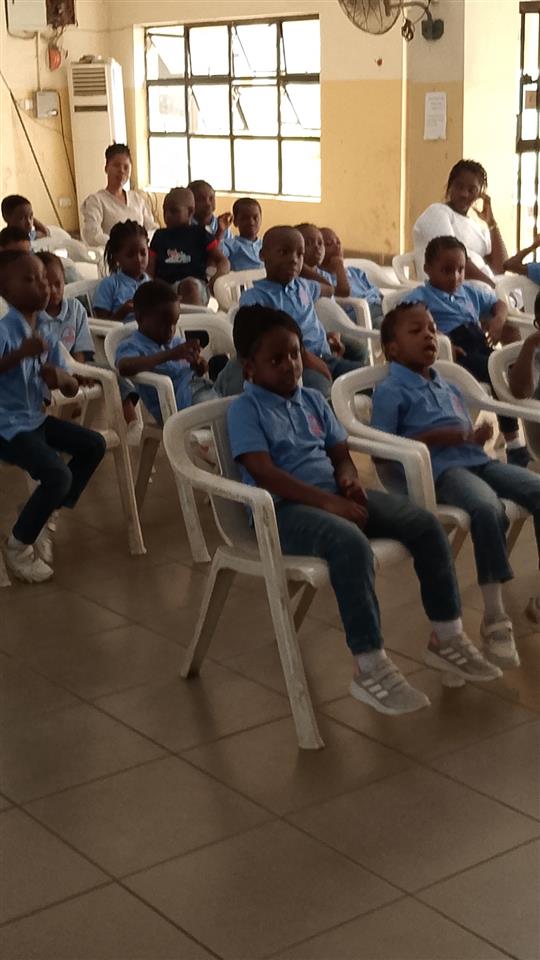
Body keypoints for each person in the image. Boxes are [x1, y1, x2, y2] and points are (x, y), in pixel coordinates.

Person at [227, 305, 500, 715]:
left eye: (295, 354)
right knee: (350, 544)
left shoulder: (312, 400)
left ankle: (446, 637)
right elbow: (264, 472)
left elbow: (339, 453)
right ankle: (369, 666)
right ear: (249, 368)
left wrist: (348, 479)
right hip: (282, 511)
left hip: (333, 496)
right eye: (276, 360)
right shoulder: (246, 410)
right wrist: (328, 502)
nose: (291, 366)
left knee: (425, 525)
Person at [371, 301, 540, 663]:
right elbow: (381, 452)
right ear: (392, 349)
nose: (429, 335)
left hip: (477, 461)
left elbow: (463, 433)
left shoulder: (444, 383)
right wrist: (441, 438)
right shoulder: (390, 390)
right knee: (486, 507)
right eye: (416, 331)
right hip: (442, 472)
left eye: (432, 329)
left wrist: (473, 437)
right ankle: (495, 616)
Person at [0, 250, 106, 582]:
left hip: (35, 419)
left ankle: (44, 509)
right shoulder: (4, 330)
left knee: (94, 444)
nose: (43, 286)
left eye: (44, 278)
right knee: (58, 475)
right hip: (7, 427)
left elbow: (70, 387)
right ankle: (17, 546)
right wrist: (18, 355)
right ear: (5, 290)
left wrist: (61, 378)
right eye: (30, 280)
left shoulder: (46, 328)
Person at [401, 235, 528, 467]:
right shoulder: (420, 297)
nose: (455, 277)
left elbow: (499, 304)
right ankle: (514, 444)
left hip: (481, 345)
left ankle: (527, 429)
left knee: (518, 367)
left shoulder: (468, 291)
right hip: (454, 354)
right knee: (498, 373)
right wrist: (439, 340)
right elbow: (404, 324)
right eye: (447, 270)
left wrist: (498, 320)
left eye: (460, 270)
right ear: (427, 269)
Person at [217, 226, 365, 400]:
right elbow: (268, 344)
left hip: (326, 354)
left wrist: (333, 334)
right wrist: (308, 358)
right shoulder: (256, 298)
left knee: (367, 379)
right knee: (323, 396)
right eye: (284, 252)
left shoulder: (303, 285)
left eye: (300, 254)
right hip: (297, 365)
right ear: (262, 255)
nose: (294, 259)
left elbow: (331, 289)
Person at [115, 280, 216, 425]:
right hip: (178, 405)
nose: (170, 330)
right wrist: (170, 355)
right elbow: (124, 366)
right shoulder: (133, 345)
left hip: (202, 389)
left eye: (174, 323)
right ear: (140, 318)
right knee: (221, 412)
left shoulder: (176, 343)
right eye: (163, 324)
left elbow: (198, 372)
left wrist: (199, 365)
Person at [412, 159, 507, 287]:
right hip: (449, 290)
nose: (464, 194)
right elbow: (453, 262)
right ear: (450, 186)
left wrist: (491, 223)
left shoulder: (476, 226)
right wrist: (495, 287)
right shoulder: (437, 213)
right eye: (459, 186)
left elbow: (500, 268)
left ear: (480, 194)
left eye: (472, 190)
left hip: (482, 289)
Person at [295, 222, 367, 364]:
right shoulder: (298, 280)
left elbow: (333, 306)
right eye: (308, 243)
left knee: (359, 349)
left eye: (320, 243)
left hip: (328, 331)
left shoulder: (324, 275)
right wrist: (302, 267)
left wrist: (335, 336)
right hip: (309, 337)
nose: (317, 247)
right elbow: (340, 291)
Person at [148, 187, 229, 292]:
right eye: (165, 210)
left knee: (189, 286)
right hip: (165, 289)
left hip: (195, 287)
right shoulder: (159, 236)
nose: (167, 215)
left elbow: (223, 261)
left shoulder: (201, 234)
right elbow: (150, 268)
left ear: (190, 212)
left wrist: (216, 278)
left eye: (174, 211)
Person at [80, 144, 158, 248]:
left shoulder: (137, 199)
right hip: (112, 254)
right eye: (116, 165)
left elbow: (152, 228)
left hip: (139, 252)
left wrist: (143, 242)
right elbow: (92, 236)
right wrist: (122, 246)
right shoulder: (96, 201)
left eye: (126, 167)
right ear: (106, 168)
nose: (121, 170)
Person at [320, 227, 384, 329]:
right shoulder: (323, 279)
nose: (337, 246)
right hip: (361, 318)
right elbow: (344, 295)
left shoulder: (355, 272)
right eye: (328, 244)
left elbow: (378, 294)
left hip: (380, 308)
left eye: (338, 242)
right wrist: (339, 267)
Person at [36, 252, 94, 361]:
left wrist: (76, 369)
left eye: (58, 283)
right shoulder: (31, 315)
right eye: (46, 285)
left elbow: (80, 350)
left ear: (64, 279)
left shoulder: (75, 309)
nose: (53, 290)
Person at [93, 220, 150, 322]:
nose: (138, 259)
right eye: (130, 255)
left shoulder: (149, 283)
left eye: (143, 253)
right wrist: (123, 312)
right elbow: (101, 326)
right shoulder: (109, 285)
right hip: (121, 332)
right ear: (117, 257)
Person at [221, 198, 263, 270]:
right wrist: (220, 231)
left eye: (255, 217)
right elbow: (218, 255)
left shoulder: (266, 245)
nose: (251, 222)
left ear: (261, 219)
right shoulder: (229, 245)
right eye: (245, 218)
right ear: (235, 221)